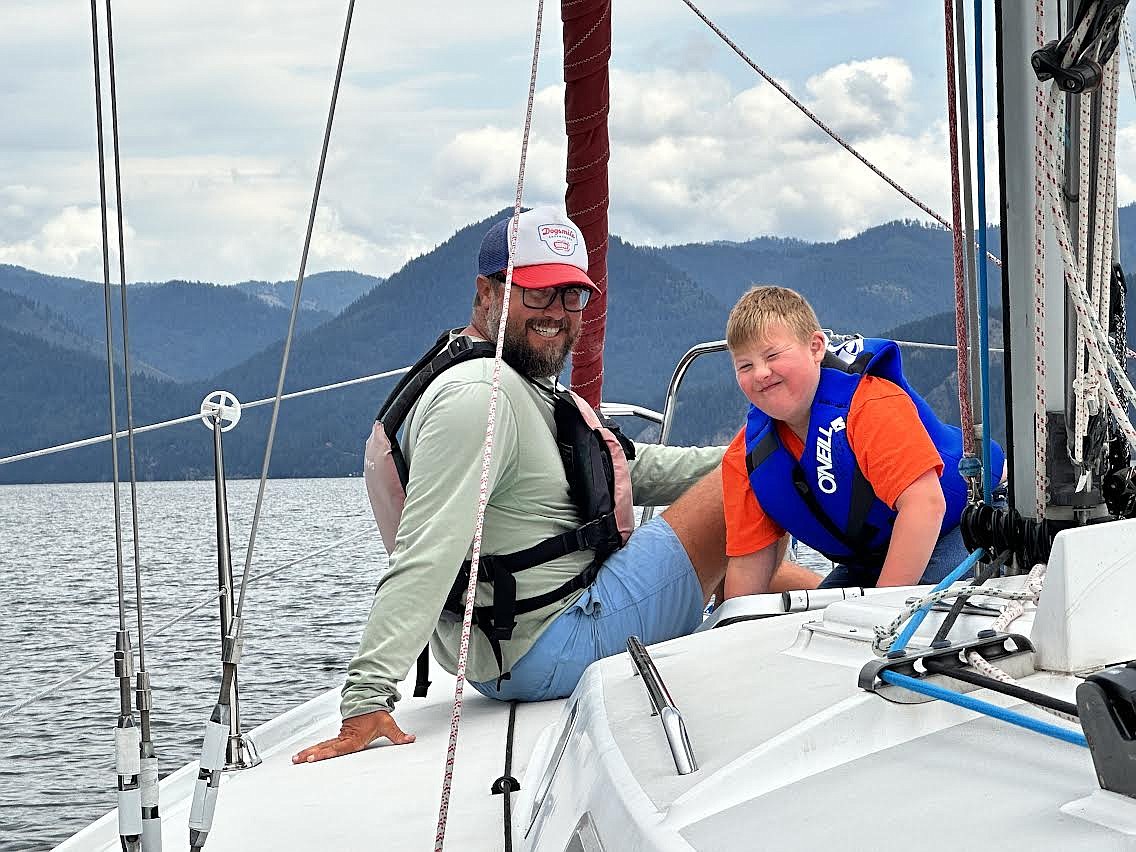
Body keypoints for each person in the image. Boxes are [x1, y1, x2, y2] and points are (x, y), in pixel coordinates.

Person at [294, 208, 816, 764]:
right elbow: (429, 550)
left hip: (522, 641)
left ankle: (860, 600)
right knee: (758, 475)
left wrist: (770, 446)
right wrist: (367, 697)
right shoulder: (481, 398)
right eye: (538, 294)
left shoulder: (529, 388)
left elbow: (634, 469)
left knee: (751, 478)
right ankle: (737, 659)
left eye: (572, 296)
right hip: (552, 643)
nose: (559, 314)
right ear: (488, 293)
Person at [720, 285, 1005, 598]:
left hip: (967, 524)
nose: (760, 373)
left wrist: (879, 612)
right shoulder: (746, 457)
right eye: (745, 365)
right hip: (870, 558)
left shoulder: (869, 404)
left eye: (772, 355)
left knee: (916, 619)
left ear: (816, 348)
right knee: (817, 626)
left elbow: (925, 503)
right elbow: (748, 570)